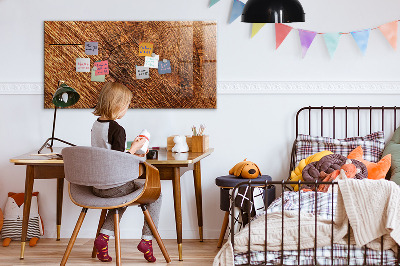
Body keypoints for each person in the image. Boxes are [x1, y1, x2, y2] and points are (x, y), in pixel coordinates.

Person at [91, 81, 161, 263]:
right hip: (114, 186)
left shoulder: (96, 125)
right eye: (127, 106)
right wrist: (135, 149)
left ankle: (103, 238)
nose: (126, 110)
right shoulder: (117, 129)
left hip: (97, 186)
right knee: (156, 194)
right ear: (118, 105)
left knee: (121, 198)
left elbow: (108, 154)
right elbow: (118, 161)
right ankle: (147, 240)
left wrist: (130, 149)